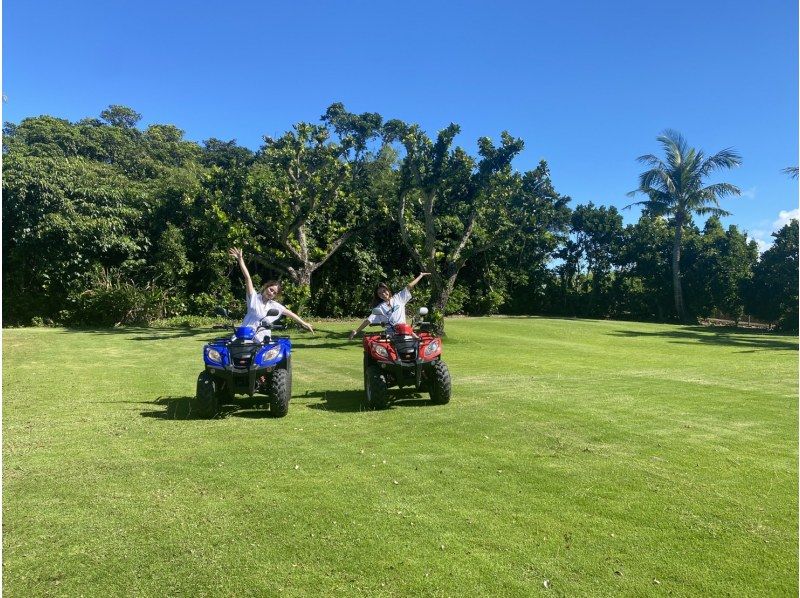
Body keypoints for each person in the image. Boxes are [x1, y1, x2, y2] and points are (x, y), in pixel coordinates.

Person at [229, 248, 314, 342]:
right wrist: (240, 260)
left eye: (274, 292)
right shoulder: (253, 298)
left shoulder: (273, 305)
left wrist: (304, 323)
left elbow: (291, 314)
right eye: (271, 289)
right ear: (266, 287)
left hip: (260, 338)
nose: (271, 293)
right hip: (245, 334)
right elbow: (248, 278)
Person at [349, 272, 430, 340]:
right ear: (378, 296)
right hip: (391, 334)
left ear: (388, 290)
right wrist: (356, 331)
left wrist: (421, 275)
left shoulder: (398, 298)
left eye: (384, 291)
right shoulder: (379, 308)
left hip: (405, 330)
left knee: (418, 343)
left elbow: (409, 286)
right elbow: (368, 320)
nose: (383, 294)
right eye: (380, 293)